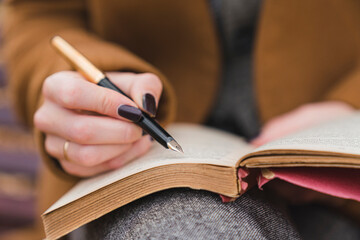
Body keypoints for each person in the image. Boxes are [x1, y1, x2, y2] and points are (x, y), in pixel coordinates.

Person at [2, 0, 360, 239]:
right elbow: (43, 17)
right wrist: (81, 96)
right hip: (129, 165)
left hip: (336, 176)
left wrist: (351, 102)